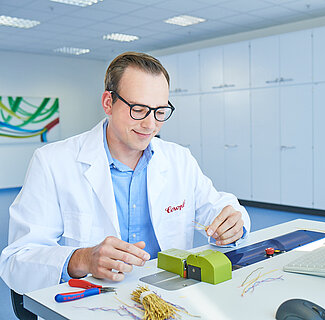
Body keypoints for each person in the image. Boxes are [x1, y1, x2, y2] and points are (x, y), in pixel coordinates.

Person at [0, 52, 250, 294]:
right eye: (139, 109)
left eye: (160, 111)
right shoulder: (53, 162)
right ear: (108, 103)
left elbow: (218, 207)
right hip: (90, 303)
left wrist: (233, 223)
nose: (150, 124)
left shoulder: (178, 159)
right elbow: (16, 260)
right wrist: (83, 259)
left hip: (170, 298)